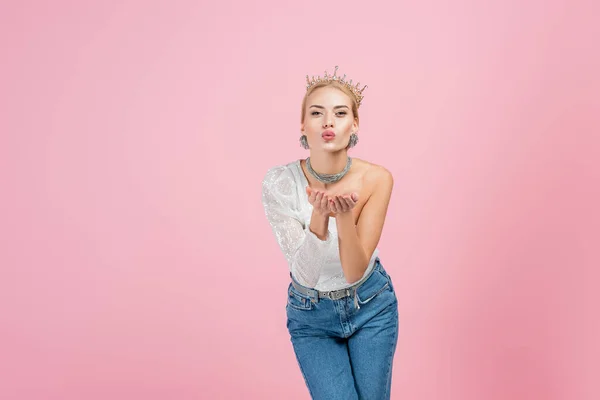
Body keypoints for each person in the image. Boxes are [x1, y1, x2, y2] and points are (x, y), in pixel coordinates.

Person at [261, 66, 399, 400]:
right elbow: (305, 274)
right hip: (311, 315)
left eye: (339, 113)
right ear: (302, 125)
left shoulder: (377, 179)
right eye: (316, 113)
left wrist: (345, 215)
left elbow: (354, 271)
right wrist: (320, 218)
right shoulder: (279, 183)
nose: (328, 122)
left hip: (371, 304)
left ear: (354, 124)